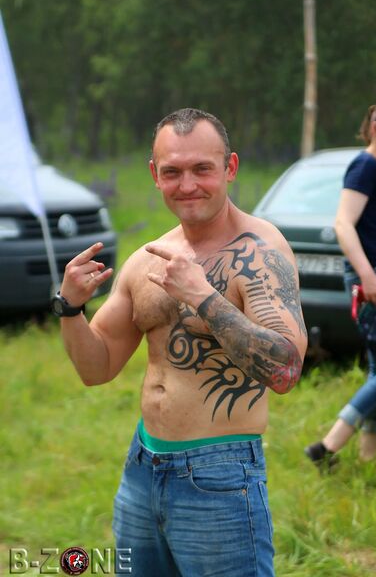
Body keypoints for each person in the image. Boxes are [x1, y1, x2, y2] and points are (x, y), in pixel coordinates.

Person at [53, 108, 307, 577]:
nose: (187, 184)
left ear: (230, 167)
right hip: (142, 466)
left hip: (220, 475)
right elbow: (96, 368)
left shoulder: (260, 251)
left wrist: (204, 297)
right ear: (155, 175)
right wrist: (70, 308)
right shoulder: (146, 260)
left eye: (201, 169)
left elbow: (286, 370)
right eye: (172, 172)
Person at [305, 97, 376, 468]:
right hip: (375, 279)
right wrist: (368, 275)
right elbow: (343, 223)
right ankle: (326, 448)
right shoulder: (365, 166)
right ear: (374, 128)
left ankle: (368, 457)